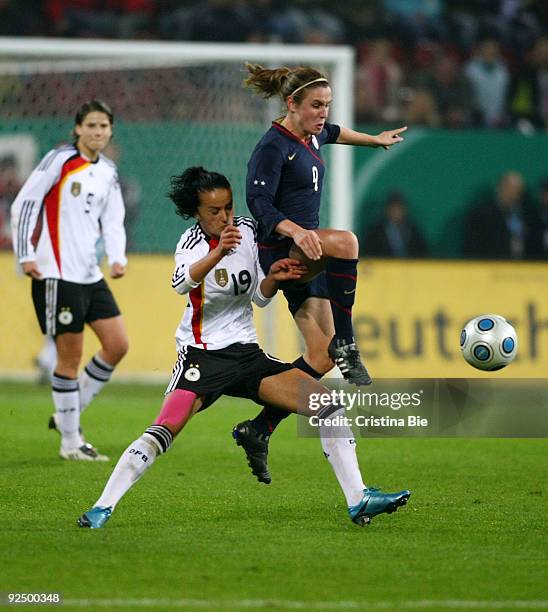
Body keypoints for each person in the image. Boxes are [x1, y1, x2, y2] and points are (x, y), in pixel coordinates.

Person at [77, 167, 411, 529]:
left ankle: (358, 499)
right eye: (213, 211)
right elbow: (181, 283)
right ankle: (102, 507)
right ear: (196, 213)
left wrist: (273, 278)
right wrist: (220, 251)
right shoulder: (191, 244)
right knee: (165, 428)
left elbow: (258, 298)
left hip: (247, 356)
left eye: (228, 207)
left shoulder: (249, 231)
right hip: (202, 356)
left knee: (327, 405)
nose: (224, 217)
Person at [231, 63, 407, 484]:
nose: (323, 113)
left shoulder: (312, 132)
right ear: (291, 103)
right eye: (315, 105)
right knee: (345, 242)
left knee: (319, 356)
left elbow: (336, 133)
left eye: (327, 105)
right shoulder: (273, 146)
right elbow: (258, 203)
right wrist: (295, 230)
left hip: (306, 249)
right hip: (282, 248)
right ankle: (349, 343)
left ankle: (259, 428)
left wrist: (374, 140)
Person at [10, 99, 129, 461]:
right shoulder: (58, 161)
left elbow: (113, 218)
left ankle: (67, 414)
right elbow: (25, 204)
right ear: (78, 128)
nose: (97, 132)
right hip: (56, 274)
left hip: (90, 275)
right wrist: (25, 255)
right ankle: (71, 441)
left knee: (117, 345)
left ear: (110, 131)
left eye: (103, 127)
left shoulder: (107, 170)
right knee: (69, 358)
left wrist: (118, 256)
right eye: (91, 126)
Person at [463, 171, 540, 259]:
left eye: (517, 191)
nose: (513, 194)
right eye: (509, 189)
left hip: (524, 267)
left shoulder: (527, 214)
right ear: (499, 188)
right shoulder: (480, 214)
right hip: (491, 266)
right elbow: (472, 246)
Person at [362, 191, 428, 258]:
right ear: (387, 209)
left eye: (399, 207)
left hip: (411, 267)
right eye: (393, 207)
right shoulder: (376, 232)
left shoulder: (414, 230)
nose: (396, 211)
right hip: (384, 267)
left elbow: (422, 252)